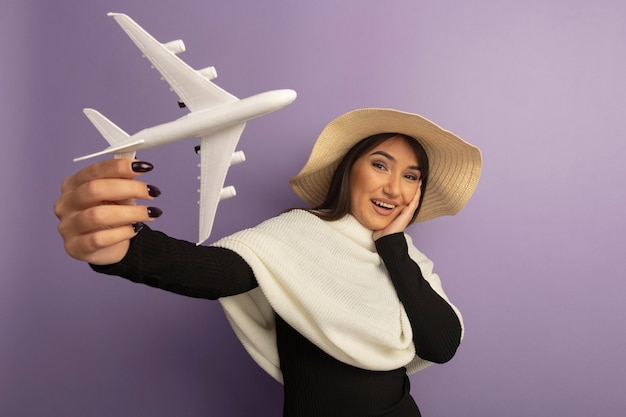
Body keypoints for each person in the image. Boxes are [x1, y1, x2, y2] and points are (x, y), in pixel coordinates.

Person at [55, 108, 482, 416]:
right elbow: (219, 271)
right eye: (380, 165)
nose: (394, 188)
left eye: (411, 176)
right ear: (350, 172)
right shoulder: (299, 233)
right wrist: (124, 249)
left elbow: (440, 345)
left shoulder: (409, 259)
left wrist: (391, 245)